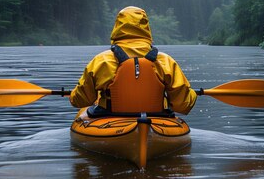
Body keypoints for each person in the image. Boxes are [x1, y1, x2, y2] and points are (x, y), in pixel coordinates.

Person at [69, 6, 197, 117]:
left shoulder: (102, 61)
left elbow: (81, 101)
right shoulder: (165, 61)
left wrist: (74, 95)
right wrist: (192, 94)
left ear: (117, 27)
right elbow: (183, 104)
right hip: (156, 119)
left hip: (109, 120)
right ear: (146, 27)